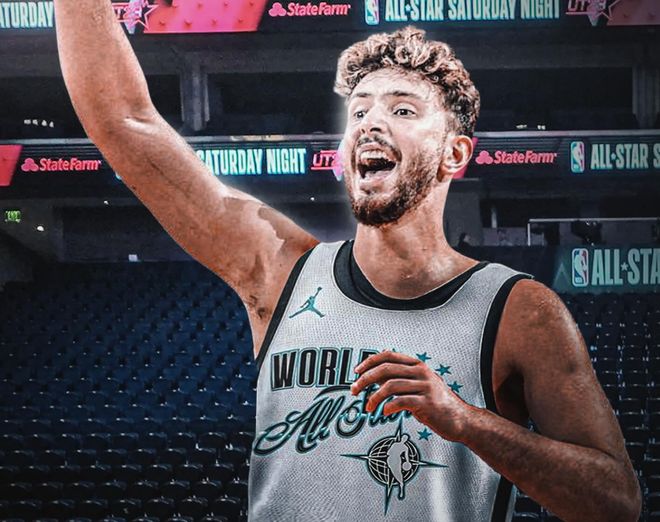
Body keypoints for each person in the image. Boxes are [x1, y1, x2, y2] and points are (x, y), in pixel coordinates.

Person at [53, 3, 640, 520]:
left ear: (454, 153)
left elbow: (616, 501)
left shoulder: (520, 310)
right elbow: (124, 123)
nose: (371, 123)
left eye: (403, 110)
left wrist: (465, 421)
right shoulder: (278, 269)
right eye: (358, 112)